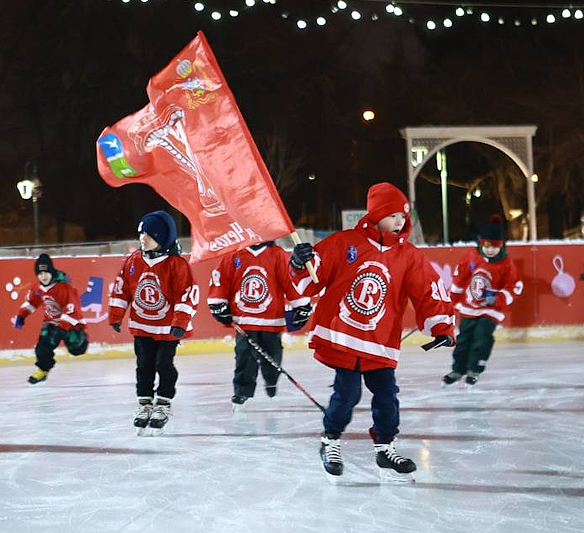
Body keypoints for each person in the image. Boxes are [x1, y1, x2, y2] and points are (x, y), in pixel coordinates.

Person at [289, 183, 455, 480]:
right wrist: (300, 262)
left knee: (388, 396)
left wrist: (441, 325)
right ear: (376, 215)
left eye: (403, 216)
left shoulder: (409, 255)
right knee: (347, 394)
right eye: (392, 215)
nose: (400, 221)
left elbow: (429, 291)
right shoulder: (345, 242)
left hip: (380, 341)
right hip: (345, 338)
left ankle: (385, 447)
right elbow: (313, 275)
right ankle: (331, 440)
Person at [108, 210, 198, 434]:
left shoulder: (177, 265)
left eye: (149, 235)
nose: (143, 238)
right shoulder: (133, 261)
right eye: (141, 234)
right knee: (144, 364)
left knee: (164, 364)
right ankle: (145, 403)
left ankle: (164, 401)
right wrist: (116, 315)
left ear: (163, 238)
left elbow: (187, 294)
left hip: (168, 329)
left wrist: (180, 322)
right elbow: (121, 289)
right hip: (142, 326)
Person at [207, 241, 312, 409]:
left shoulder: (277, 254)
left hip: (272, 319)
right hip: (244, 319)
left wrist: (300, 305)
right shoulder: (234, 255)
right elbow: (222, 280)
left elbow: (289, 281)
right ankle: (242, 390)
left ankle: (271, 379)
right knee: (244, 357)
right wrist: (218, 302)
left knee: (273, 355)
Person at [443, 217, 523, 386]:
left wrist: (498, 298)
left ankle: (474, 369)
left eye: (495, 246)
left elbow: (514, 286)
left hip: (491, 310)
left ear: (501, 245)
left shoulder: (506, 264)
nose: (491, 250)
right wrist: (454, 301)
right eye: (487, 245)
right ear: (481, 242)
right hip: (469, 308)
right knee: (463, 339)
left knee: (482, 337)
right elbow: (459, 279)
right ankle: (458, 369)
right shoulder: (471, 257)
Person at [14, 253, 88, 384]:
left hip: (70, 323)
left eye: (46, 273)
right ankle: (42, 370)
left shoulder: (63, 288)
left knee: (77, 349)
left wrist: (63, 327)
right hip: (51, 323)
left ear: (51, 272)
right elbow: (31, 302)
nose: (43, 276)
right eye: (40, 274)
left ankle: (81, 340)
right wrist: (21, 315)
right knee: (42, 348)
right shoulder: (37, 288)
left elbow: (73, 310)